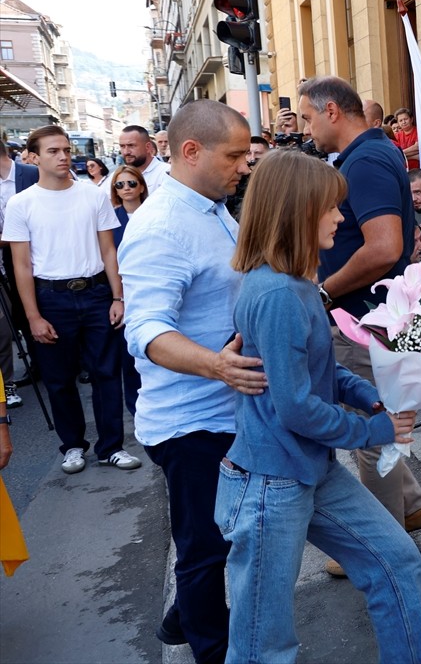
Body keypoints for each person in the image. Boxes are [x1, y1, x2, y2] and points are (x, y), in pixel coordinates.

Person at [221, 150, 421, 663]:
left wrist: (371, 398)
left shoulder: (296, 285)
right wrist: (376, 430)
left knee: (398, 565)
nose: (340, 217)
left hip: (307, 470)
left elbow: (323, 372)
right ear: (297, 210)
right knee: (262, 644)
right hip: (272, 483)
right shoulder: (277, 294)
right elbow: (296, 407)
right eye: (331, 207)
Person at [120, 100, 265, 663]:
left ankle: (183, 615)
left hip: (225, 408)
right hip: (191, 423)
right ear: (190, 152)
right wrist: (218, 365)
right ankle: (212, 649)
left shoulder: (212, 207)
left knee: (225, 535)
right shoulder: (160, 227)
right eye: (234, 156)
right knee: (204, 550)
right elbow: (147, 331)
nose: (244, 166)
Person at [299, 76, 421, 575]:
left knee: (369, 432)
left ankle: (382, 545)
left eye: (308, 118)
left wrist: (324, 292)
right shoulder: (370, 154)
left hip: (363, 318)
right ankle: (413, 505)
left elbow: (382, 248)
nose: (307, 129)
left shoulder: (365, 160)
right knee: (376, 421)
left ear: (332, 111)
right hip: (369, 314)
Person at [1, 126, 139, 474]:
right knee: (59, 379)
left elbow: (109, 251)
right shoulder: (21, 203)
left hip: (96, 293)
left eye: (66, 150)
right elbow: (21, 265)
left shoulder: (93, 195)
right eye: (53, 151)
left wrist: (118, 296)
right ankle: (73, 445)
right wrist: (32, 316)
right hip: (51, 297)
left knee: (107, 374)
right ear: (34, 157)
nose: (63, 156)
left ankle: (111, 446)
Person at [0, 138, 37, 408]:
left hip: (42, 254)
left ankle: (77, 363)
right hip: (9, 259)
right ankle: (37, 364)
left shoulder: (31, 173)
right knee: (22, 314)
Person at [109, 165, 148, 416]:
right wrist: (118, 297)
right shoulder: (111, 219)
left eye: (132, 183)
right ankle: (135, 409)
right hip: (124, 292)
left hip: (151, 286)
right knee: (129, 356)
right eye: (120, 184)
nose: (126, 188)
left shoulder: (155, 213)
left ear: (141, 186)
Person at [110, 125, 170, 193]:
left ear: (148, 147)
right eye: (122, 146)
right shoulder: (115, 177)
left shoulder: (167, 173)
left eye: (131, 146)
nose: (126, 152)